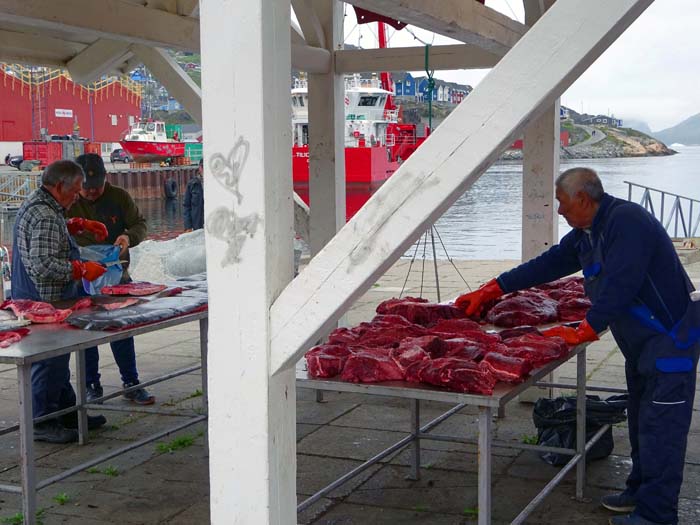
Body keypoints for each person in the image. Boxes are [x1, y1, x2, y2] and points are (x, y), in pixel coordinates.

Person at [455, 167, 699, 525]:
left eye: (562, 203)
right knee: (641, 422)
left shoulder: (627, 222)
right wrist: (493, 288)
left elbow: (622, 283)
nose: (558, 211)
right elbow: (550, 263)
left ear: (584, 199)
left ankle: (657, 514)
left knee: (663, 429)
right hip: (641, 346)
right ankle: (639, 492)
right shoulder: (586, 232)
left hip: (670, 344)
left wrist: (584, 330)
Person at [12, 160, 109, 443]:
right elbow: (42, 263)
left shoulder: (44, 205)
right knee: (50, 361)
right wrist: (79, 269)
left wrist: (75, 225)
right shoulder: (44, 214)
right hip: (44, 297)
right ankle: (41, 422)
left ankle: (67, 412)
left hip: (43, 295)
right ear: (58, 186)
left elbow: (47, 236)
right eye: (75, 191)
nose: (78, 196)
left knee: (59, 359)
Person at [68, 154, 154, 405]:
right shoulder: (69, 202)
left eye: (97, 187)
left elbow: (140, 223)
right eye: (87, 188)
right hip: (81, 276)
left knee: (121, 327)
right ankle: (90, 383)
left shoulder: (119, 196)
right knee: (85, 330)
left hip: (116, 273)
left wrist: (128, 237)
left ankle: (131, 381)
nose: (92, 192)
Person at [183, 158, 204, 231]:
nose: (204, 169)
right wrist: (188, 226)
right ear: (199, 167)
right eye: (202, 167)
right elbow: (186, 206)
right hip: (197, 226)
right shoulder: (192, 184)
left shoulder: (214, 183)